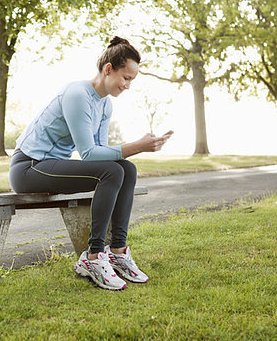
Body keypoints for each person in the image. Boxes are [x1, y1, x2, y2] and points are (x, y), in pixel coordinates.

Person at [9, 36, 172, 291]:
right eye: (126, 78)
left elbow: (104, 151)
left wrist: (136, 150)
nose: (128, 85)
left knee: (126, 168)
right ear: (108, 69)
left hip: (49, 164)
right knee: (111, 170)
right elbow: (88, 154)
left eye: (132, 80)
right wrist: (138, 146)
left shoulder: (105, 105)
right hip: (28, 167)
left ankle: (117, 250)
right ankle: (94, 257)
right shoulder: (77, 94)